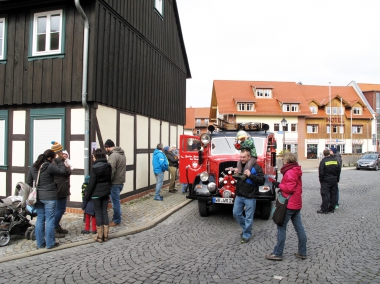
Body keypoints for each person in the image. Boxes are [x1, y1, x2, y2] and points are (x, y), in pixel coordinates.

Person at [265, 152, 307, 261]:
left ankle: (278, 253)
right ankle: (302, 252)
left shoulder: (289, 172)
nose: (283, 161)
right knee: (299, 228)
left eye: (284, 159)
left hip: (289, 203)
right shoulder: (296, 170)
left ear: (287, 161)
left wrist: (278, 185)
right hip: (296, 203)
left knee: (281, 227)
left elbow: (290, 188)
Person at [26, 149, 67, 249]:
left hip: (38, 197)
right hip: (50, 197)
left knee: (40, 219)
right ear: (50, 158)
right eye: (53, 158)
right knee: (50, 220)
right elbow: (63, 171)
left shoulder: (34, 166)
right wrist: (58, 160)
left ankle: (40, 244)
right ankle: (50, 243)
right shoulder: (48, 166)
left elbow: (28, 182)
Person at [233, 148, 265, 244]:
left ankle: (246, 234)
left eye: (244, 157)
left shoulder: (256, 167)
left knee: (248, 217)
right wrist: (236, 174)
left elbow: (262, 181)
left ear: (249, 157)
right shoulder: (239, 165)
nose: (242, 159)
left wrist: (250, 175)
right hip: (239, 195)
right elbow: (239, 180)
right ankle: (247, 227)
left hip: (250, 196)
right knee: (236, 213)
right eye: (241, 157)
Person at [85, 149, 112, 242]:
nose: (92, 158)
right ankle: (106, 235)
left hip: (96, 193)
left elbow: (91, 183)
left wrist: (87, 195)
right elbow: (110, 179)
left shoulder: (95, 167)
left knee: (98, 212)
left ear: (96, 156)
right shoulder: (108, 166)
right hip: (105, 192)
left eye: (93, 156)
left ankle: (100, 236)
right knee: (104, 211)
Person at [50, 142, 72, 238]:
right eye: (61, 151)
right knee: (60, 209)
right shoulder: (57, 162)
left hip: (59, 187)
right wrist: (68, 168)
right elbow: (66, 172)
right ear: (58, 152)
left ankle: (56, 226)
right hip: (60, 187)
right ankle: (54, 227)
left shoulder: (53, 161)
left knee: (58, 208)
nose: (63, 152)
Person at [104, 139, 126, 227]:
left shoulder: (113, 156)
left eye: (105, 147)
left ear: (107, 147)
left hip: (114, 182)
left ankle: (116, 220)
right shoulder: (122, 154)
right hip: (120, 181)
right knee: (117, 201)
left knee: (115, 202)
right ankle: (118, 216)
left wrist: (108, 181)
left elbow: (111, 170)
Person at [318, 149, 341, 214]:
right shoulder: (335, 161)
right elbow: (338, 171)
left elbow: (321, 172)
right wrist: (337, 179)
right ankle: (332, 208)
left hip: (326, 180)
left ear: (324, 154)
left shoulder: (323, 161)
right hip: (334, 180)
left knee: (325, 194)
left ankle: (324, 209)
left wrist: (321, 180)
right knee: (333, 194)